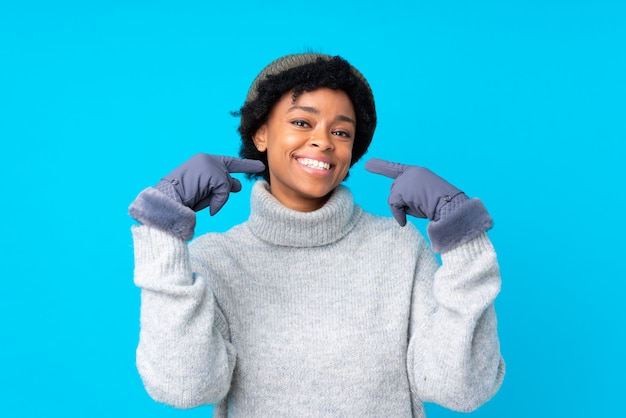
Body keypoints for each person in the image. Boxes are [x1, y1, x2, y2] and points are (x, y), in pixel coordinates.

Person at [128, 53, 505, 417]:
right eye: (302, 123)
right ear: (261, 133)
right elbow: (183, 387)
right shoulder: (216, 260)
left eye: (340, 132)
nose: (323, 141)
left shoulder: (400, 249)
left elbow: (461, 389)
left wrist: (461, 232)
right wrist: (162, 224)